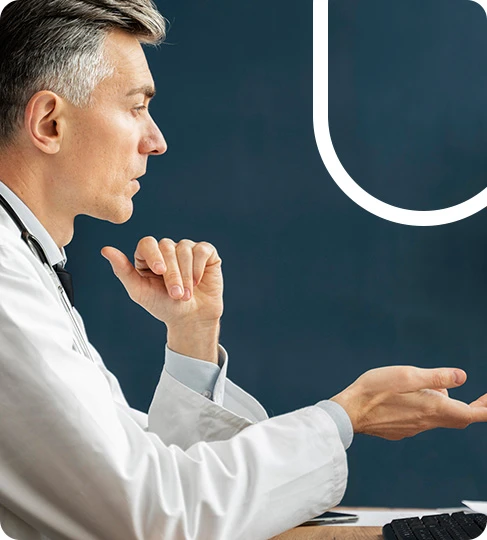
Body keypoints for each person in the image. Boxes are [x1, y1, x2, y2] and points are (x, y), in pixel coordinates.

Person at [0, 1, 486, 539]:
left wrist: (193, 339)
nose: (156, 140)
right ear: (49, 123)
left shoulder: (22, 260)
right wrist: (350, 414)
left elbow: (150, 477)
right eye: (136, 107)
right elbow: (148, 516)